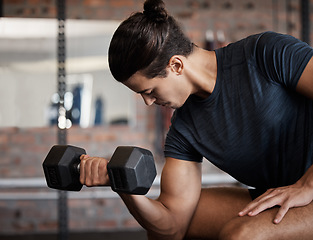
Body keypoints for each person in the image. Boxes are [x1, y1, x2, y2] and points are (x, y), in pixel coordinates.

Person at [79, 0, 313, 239]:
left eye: (149, 91)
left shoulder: (266, 54)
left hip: (308, 186)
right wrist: (125, 187)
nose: (148, 102)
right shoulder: (183, 129)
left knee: (242, 235)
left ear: (176, 65)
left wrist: (308, 185)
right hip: (281, 193)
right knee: (190, 218)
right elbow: (171, 228)